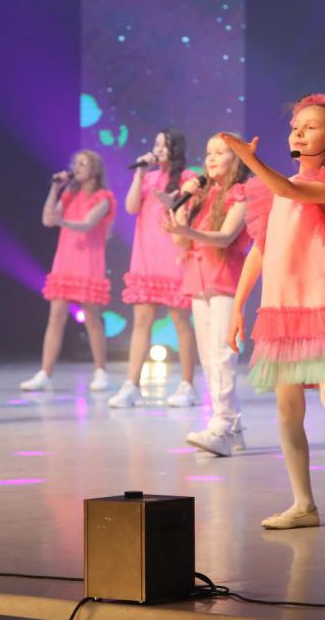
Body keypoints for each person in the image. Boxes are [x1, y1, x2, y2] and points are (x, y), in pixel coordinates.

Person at [220, 92, 325, 530]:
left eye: (310, 127)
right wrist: (238, 307)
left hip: (319, 305)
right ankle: (303, 503)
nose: (299, 133)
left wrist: (248, 159)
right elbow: (260, 250)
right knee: (288, 408)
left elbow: (288, 189)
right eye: (295, 127)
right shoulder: (276, 192)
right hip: (280, 310)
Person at [162, 133, 252, 456]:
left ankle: (221, 426)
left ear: (236, 159)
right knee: (209, 359)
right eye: (208, 152)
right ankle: (233, 428)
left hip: (226, 280)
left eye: (219, 152)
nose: (211, 158)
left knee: (223, 355)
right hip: (198, 281)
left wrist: (186, 231)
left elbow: (225, 237)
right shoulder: (201, 194)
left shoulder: (242, 193)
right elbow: (180, 241)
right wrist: (183, 204)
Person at [109, 130, 200, 408]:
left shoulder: (187, 178)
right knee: (141, 322)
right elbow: (130, 206)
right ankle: (132, 385)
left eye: (164, 144)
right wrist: (139, 174)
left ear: (176, 149)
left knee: (181, 323)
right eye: (156, 143)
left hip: (173, 257)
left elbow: (191, 215)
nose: (158, 148)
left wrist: (173, 204)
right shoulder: (147, 178)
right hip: (145, 258)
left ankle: (187, 385)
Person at [21, 151, 116, 392]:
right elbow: (47, 219)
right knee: (56, 317)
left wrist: (62, 222)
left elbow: (87, 224)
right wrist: (55, 188)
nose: (78, 167)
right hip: (65, 261)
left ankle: (101, 371)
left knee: (92, 318)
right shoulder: (69, 194)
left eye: (84, 163)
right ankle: (45, 372)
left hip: (88, 261)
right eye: (76, 163)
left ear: (95, 169)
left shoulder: (103, 198)